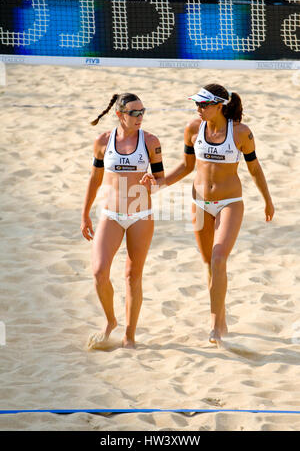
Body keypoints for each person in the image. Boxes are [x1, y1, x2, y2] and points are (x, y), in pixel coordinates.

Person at [164, 84, 275, 345]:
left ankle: (215, 326)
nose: (198, 108)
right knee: (209, 265)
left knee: (218, 258)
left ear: (219, 106)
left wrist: (267, 200)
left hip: (230, 203)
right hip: (200, 203)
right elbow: (186, 166)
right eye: (197, 104)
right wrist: (158, 184)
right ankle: (221, 318)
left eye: (203, 104)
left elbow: (255, 169)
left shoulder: (241, 133)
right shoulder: (193, 128)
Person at [81, 93, 165, 349]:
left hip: (140, 214)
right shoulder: (103, 141)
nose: (140, 117)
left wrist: (153, 183)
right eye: (134, 113)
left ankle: (130, 335)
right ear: (120, 115)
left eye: (143, 112)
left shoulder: (150, 141)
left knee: (132, 276)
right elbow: (95, 179)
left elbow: (161, 179)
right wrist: (85, 214)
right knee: (99, 272)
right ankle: (110, 321)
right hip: (111, 213)